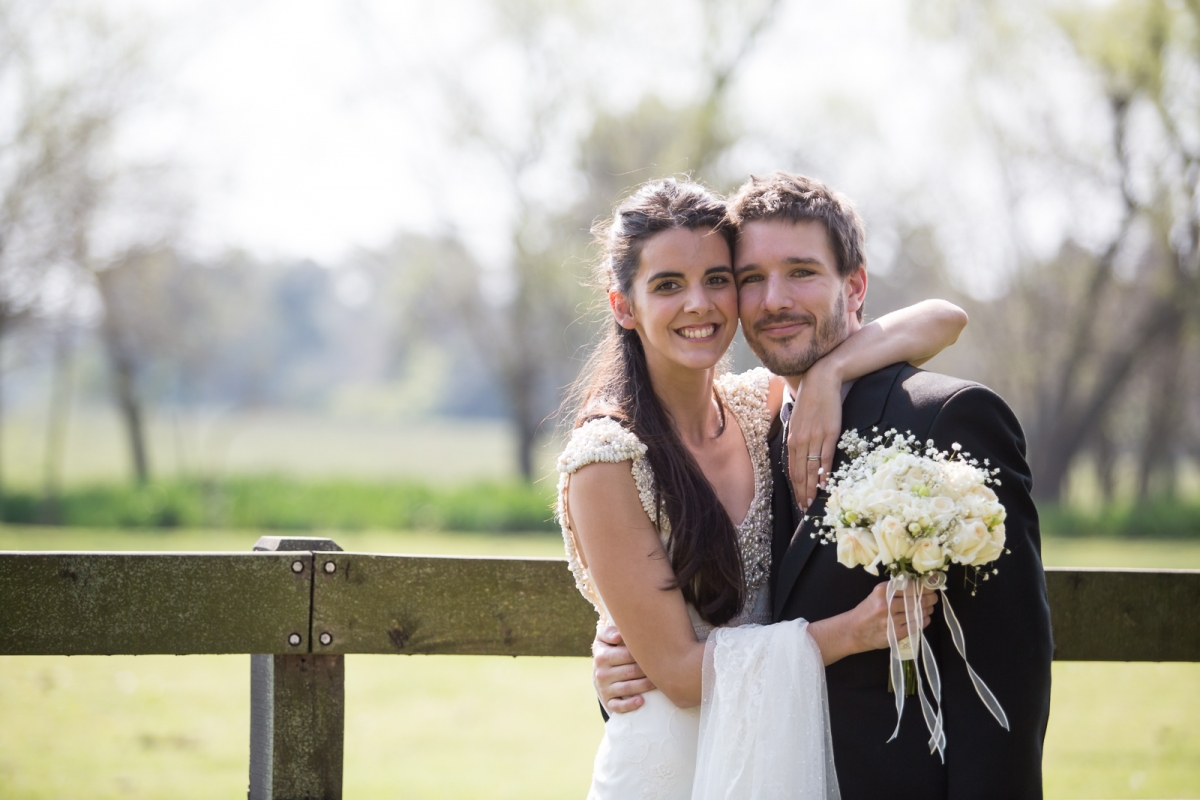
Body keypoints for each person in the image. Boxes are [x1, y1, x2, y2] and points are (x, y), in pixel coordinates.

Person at [593, 172, 1054, 799]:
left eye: (802, 272)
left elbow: (1006, 671)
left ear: (855, 285)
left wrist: (832, 370)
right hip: (712, 764)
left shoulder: (942, 421)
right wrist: (632, 656)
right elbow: (685, 643)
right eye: (751, 277)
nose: (773, 299)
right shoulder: (752, 416)